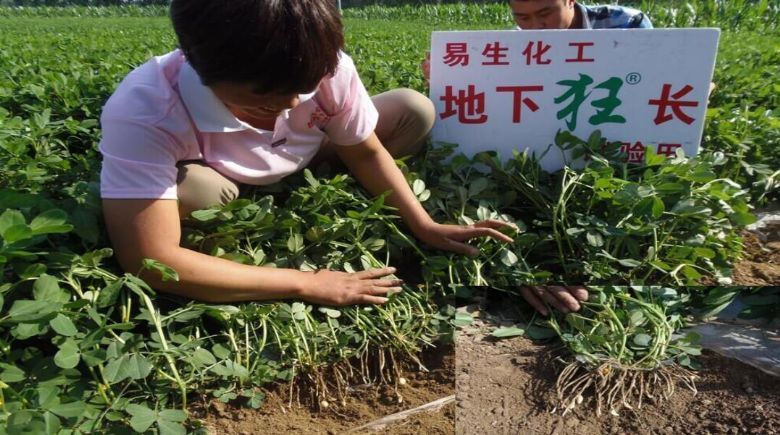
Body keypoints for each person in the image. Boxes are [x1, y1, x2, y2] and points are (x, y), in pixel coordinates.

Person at [99, 0, 515, 307]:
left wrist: (424, 224)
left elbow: (366, 153)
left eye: (304, 88)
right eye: (262, 100)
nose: (291, 105)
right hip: (222, 176)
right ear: (197, 63)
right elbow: (151, 259)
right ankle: (242, 204)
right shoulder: (146, 108)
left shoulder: (326, 68)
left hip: (309, 154)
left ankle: (307, 178)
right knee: (197, 193)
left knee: (412, 109)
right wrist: (307, 283)